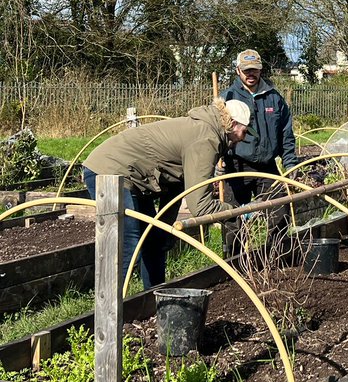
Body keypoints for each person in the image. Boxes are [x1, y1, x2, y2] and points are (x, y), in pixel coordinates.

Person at [83, 98, 250, 290]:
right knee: (128, 243)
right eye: (244, 132)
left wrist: (164, 228)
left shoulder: (205, 131)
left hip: (134, 178)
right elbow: (201, 207)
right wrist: (237, 211)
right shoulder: (205, 139)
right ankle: (109, 314)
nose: (243, 138)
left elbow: (176, 187)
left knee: (153, 241)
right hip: (110, 171)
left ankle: (155, 299)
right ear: (234, 124)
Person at [223, 48, 300, 206]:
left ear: (260, 69)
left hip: (267, 166)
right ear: (238, 70)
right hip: (237, 167)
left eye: (255, 69)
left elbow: (285, 133)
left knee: (279, 215)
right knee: (232, 221)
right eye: (246, 70)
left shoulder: (274, 98)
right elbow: (215, 133)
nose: (251, 73)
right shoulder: (227, 98)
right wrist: (216, 161)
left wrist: (290, 163)